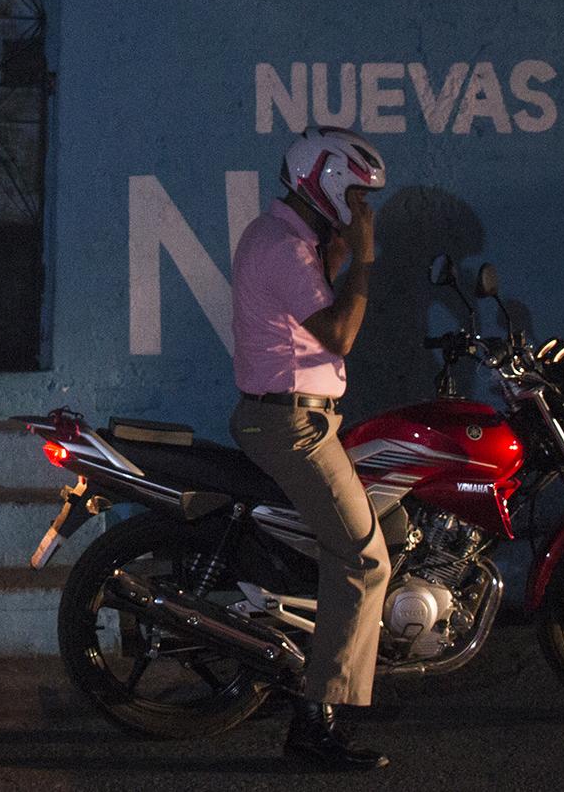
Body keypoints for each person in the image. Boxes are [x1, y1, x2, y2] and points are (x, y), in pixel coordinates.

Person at [229, 126, 391, 771]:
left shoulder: (292, 241)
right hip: (290, 425)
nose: (360, 207)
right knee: (363, 559)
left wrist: (341, 245)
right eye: (354, 193)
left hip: (304, 418)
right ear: (322, 178)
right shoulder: (281, 249)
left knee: (388, 519)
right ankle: (313, 722)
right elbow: (340, 334)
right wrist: (367, 257)